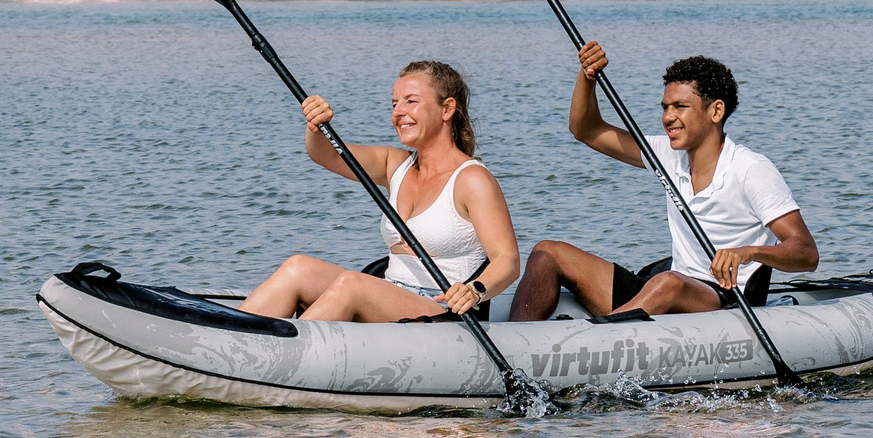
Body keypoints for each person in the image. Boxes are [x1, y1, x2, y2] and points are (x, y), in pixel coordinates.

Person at [509, 45, 818, 320]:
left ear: (716, 111)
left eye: (680, 107)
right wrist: (588, 77)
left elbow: (805, 253)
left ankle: (595, 340)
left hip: (725, 301)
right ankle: (515, 347)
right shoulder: (667, 155)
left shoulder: (750, 169)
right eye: (665, 107)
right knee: (547, 252)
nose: (668, 117)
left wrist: (748, 252)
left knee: (667, 282)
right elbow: (586, 130)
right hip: (668, 287)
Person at [240, 60, 521, 323]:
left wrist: (475, 290)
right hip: (390, 293)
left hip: (443, 310)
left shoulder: (472, 179)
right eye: (395, 103)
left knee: (353, 285)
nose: (399, 112)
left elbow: (507, 260)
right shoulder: (394, 164)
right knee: (297, 267)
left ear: (447, 109)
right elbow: (328, 155)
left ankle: (277, 355)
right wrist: (316, 127)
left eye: (411, 102)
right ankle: (230, 339)